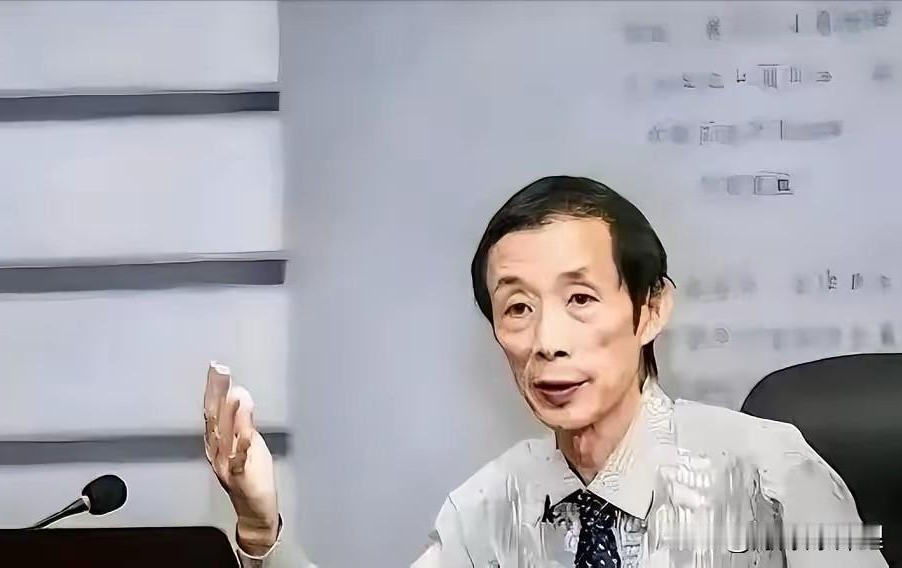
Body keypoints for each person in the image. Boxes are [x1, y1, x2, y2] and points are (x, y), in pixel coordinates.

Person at [205, 176, 886, 567]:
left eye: (580, 299)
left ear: (650, 310)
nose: (546, 342)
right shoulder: (486, 510)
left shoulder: (770, 476)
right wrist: (261, 530)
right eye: (518, 309)